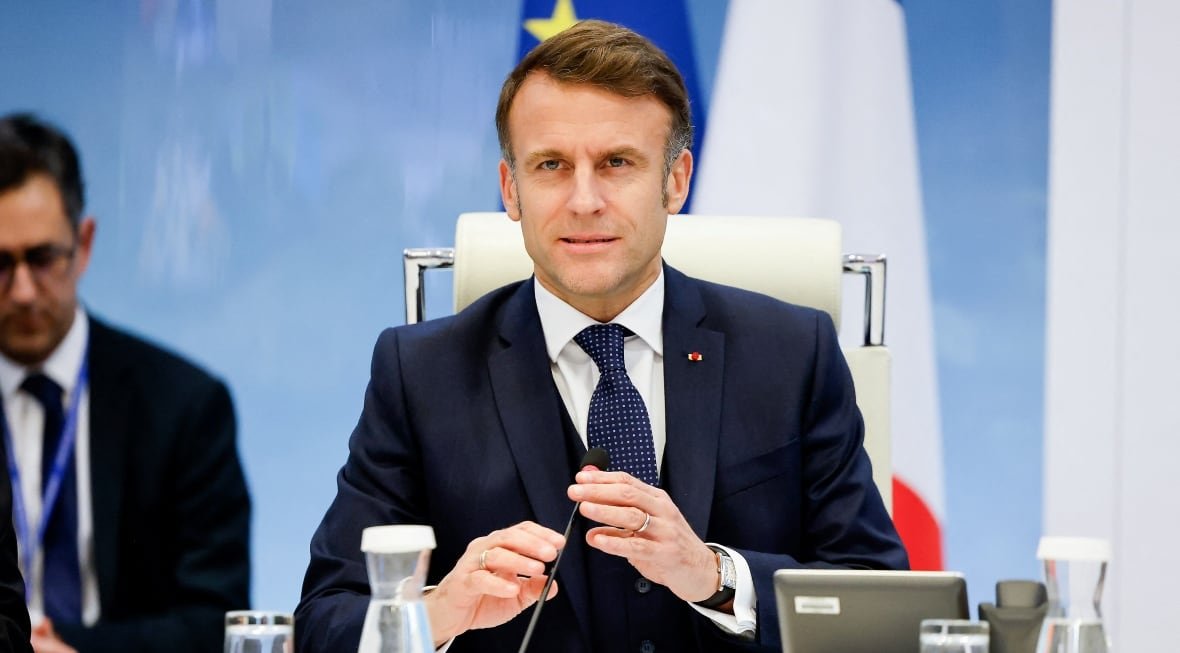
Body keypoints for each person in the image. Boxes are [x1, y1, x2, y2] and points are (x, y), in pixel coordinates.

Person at [297, 20, 907, 653]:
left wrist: (714, 576)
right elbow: (321, 624)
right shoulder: (420, 373)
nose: (584, 201)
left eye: (617, 163)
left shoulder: (791, 353)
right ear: (512, 189)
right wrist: (438, 612)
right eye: (552, 165)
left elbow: (882, 608)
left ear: (675, 182)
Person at [0, 113, 251, 653]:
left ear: (83, 245)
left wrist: (61, 647)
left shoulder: (185, 407)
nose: (21, 291)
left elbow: (215, 620)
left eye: (42, 259)